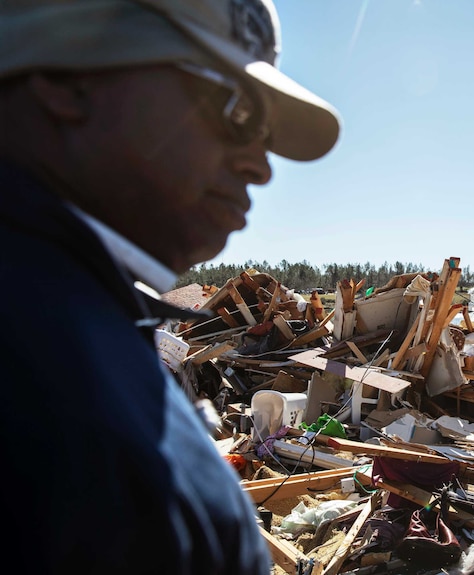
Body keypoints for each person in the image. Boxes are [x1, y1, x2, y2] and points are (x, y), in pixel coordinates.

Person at [0, 1, 340, 573]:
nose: (262, 167)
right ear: (69, 75)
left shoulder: (75, 311)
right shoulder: (33, 358)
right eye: (238, 111)